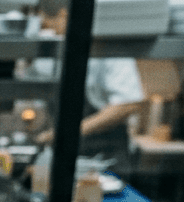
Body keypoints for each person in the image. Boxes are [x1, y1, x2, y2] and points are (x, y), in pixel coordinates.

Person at [31, 0, 146, 164]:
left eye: (48, 25)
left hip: (107, 156)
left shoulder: (108, 45)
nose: (48, 32)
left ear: (65, 16)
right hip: (66, 156)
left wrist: (67, 132)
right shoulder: (57, 50)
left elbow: (128, 104)